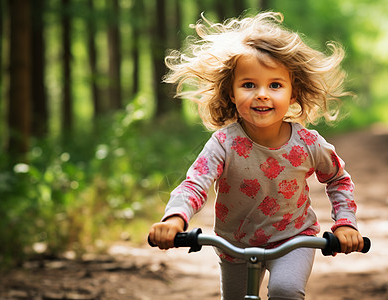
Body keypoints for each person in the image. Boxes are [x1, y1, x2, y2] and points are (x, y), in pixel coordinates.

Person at [149, 11, 364, 300]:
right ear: (231, 93)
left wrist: (346, 223)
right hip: (234, 242)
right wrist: (175, 218)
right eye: (249, 85)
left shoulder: (308, 143)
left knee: (285, 290)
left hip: (294, 238)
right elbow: (195, 183)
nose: (262, 94)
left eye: (275, 85)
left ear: (292, 93)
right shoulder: (224, 143)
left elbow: (338, 180)